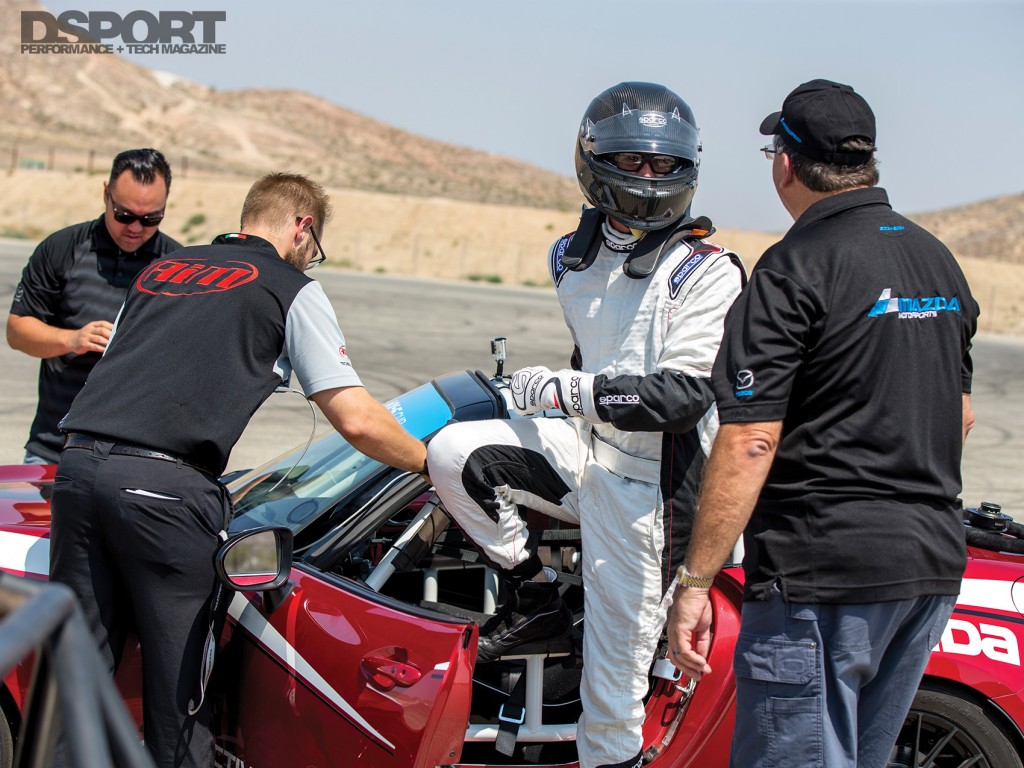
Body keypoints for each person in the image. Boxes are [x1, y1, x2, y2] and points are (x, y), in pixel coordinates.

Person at [48, 173, 428, 767]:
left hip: (74, 472)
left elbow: (122, 364)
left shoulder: (162, 269)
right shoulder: (290, 286)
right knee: (180, 698)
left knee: (75, 679)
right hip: (166, 489)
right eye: (315, 244)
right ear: (302, 227)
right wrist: (435, 464)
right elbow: (355, 420)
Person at [427, 82, 745, 768]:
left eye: (665, 166)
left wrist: (567, 389)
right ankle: (535, 595)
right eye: (635, 162)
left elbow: (682, 398)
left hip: (658, 496)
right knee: (453, 453)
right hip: (591, 457)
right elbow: (598, 362)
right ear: (595, 160)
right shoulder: (567, 260)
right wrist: (556, 394)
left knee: (609, 709)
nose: (651, 179)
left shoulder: (706, 272)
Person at [667, 79, 979, 768]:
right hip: (925, 571)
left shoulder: (793, 267)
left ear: (785, 161)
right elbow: (959, 414)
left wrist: (695, 583)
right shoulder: (935, 260)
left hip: (823, 578)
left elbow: (750, 438)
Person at [7, 148, 183, 464]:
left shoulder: (178, 266)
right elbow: (18, 331)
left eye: (151, 218)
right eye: (124, 215)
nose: (135, 228)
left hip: (139, 456)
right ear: (106, 195)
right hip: (55, 450)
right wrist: (72, 339)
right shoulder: (61, 249)